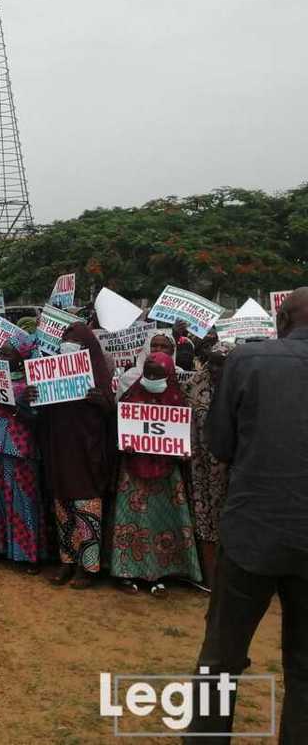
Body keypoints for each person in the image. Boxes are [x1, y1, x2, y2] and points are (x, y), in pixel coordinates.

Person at [185, 288, 308, 743]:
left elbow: (220, 445)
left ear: (281, 319)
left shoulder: (247, 360)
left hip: (252, 533)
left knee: (222, 656)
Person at [110, 352, 202, 597]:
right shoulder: (131, 396)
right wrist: (125, 442)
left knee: (162, 525)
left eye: (157, 375)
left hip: (166, 476)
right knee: (131, 523)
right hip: (133, 473)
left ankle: (160, 575)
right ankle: (127, 572)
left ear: (169, 376)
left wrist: (183, 451)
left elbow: (184, 436)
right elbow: (119, 428)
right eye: (148, 374)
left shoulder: (177, 401)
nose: (151, 379)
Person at [42, 322, 115, 589]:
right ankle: (67, 561)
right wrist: (32, 398)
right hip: (61, 451)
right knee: (63, 510)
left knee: (86, 508)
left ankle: (89, 566)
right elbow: (42, 414)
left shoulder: (99, 376)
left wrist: (104, 404)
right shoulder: (50, 375)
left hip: (88, 454)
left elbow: (113, 416)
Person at [0, 340, 47, 571]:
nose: (2, 357)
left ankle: (28, 554)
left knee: (21, 499)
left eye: (8, 354)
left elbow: (38, 418)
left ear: (20, 358)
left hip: (20, 447)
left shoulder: (30, 382)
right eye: (1, 353)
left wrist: (18, 407)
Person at [184, 341, 233, 588]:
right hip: (200, 466)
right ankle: (211, 580)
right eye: (210, 361)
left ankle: (230, 581)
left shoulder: (241, 388)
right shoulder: (194, 385)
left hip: (232, 471)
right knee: (204, 519)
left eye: (220, 363)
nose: (213, 367)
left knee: (230, 522)